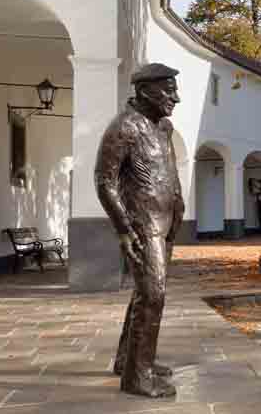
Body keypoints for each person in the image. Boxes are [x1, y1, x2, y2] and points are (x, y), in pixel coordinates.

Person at [95, 63, 184, 397]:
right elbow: (104, 182)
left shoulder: (163, 129)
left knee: (143, 293)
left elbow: (170, 173)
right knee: (153, 295)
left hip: (166, 221)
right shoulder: (123, 128)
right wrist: (123, 228)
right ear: (145, 90)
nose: (176, 97)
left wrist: (179, 206)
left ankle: (129, 359)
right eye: (169, 90)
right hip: (141, 223)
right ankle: (137, 377)